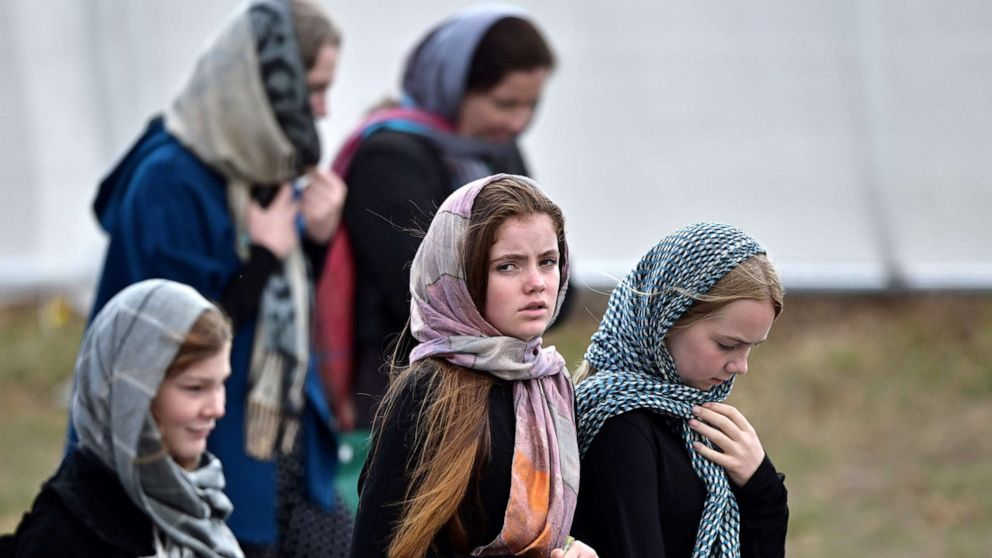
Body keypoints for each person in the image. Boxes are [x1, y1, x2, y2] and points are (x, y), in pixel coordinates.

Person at [77, 1, 350, 555]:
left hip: (279, 450)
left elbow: (284, 314)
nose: (322, 110)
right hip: (202, 458)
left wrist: (313, 243)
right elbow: (170, 344)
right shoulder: (170, 181)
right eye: (312, 89)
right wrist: (267, 255)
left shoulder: (260, 163)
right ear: (264, 86)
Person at [317, 4, 558, 432]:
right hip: (407, 387)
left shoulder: (494, 148)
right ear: (454, 86)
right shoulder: (388, 157)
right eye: (504, 103)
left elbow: (559, 282)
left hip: (498, 378)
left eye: (530, 106)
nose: (517, 121)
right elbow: (425, 291)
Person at [349, 174, 596, 558]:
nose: (537, 283)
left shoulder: (550, 385)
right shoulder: (429, 392)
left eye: (547, 262)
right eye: (508, 266)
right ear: (460, 276)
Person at [571, 223, 790, 558]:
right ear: (667, 321)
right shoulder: (620, 426)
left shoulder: (689, 422)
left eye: (751, 348)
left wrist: (761, 489)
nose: (740, 366)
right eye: (727, 345)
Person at [1, 279, 241, 558]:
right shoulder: (68, 534)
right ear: (131, 396)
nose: (217, 408)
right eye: (195, 388)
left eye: (221, 383)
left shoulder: (197, 501)